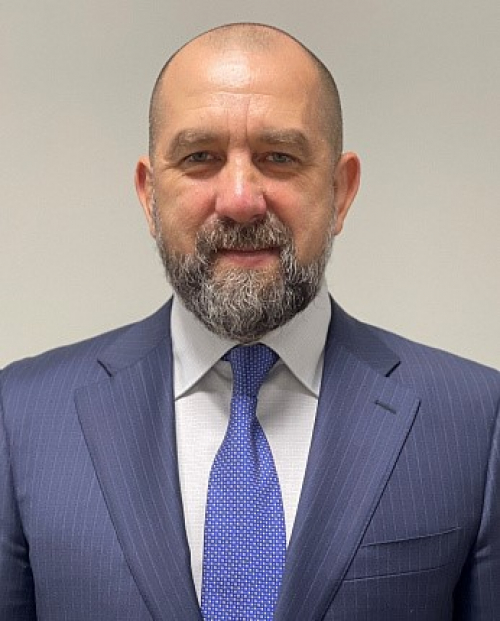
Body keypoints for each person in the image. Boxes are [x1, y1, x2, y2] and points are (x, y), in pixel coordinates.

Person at [1, 22, 499, 621]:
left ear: (340, 192)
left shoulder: (475, 421)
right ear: (149, 195)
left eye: (279, 157)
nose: (240, 199)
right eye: (200, 157)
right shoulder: (21, 418)